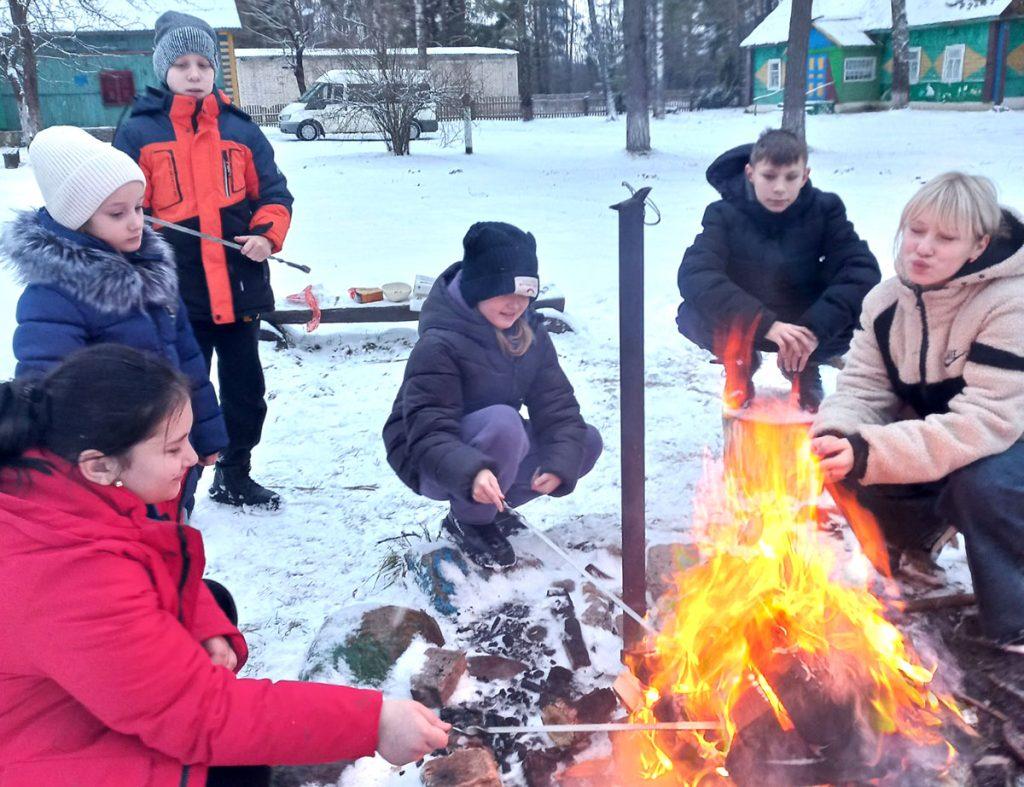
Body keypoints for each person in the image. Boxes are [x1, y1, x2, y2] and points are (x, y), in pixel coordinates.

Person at [0, 345, 450, 786]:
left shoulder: (63, 486)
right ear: (100, 466)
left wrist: (202, 620)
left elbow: (150, 561)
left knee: (213, 599)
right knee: (238, 767)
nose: (193, 458)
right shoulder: (67, 573)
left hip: (57, 698)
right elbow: (200, 717)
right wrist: (373, 723)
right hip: (32, 753)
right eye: (174, 448)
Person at [812, 172, 1024, 654]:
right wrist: (836, 434)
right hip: (951, 439)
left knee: (982, 483)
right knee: (840, 449)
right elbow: (862, 388)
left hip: (1009, 444)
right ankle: (910, 547)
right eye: (916, 230)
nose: (923, 248)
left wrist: (870, 452)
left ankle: (1015, 616)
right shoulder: (887, 303)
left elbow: (986, 422)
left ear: (979, 245)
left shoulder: (1012, 304)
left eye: (946, 237)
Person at [114, 11, 292, 510]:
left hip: (238, 288)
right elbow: (121, 205)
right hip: (175, 293)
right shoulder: (139, 132)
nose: (194, 74)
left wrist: (265, 236)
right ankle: (178, 481)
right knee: (180, 396)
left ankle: (235, 472)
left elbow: (275, 195)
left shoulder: (241, 130)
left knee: (244, 393)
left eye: (203, 64)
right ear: (162, 70)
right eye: (182, 64)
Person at [1, 125, 226, 507]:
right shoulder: (54, 296)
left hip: (168, 455)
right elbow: (50, 395)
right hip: (114, 471)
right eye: (117, 213)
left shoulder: (154, 273)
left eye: (139, 207)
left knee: (171, 539)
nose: (136, 222)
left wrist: (204, 433)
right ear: (78, 219)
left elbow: (189, 362)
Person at [383, 221, 603, 571]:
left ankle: (492, 508)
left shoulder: (530, 335)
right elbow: (428, 431)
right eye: (504, 292)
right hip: (427, 454)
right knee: (504, 422)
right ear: (478, 288)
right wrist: (471, 473)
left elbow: (557, 407)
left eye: (525, 295)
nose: (516, 305)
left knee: (583, 444)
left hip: (489, 447)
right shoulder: (439, 343)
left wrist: (560, 464)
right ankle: (469, 521)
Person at [676, 128, 880, 411]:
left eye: (790, 177)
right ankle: (740, 363)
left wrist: (813, 329)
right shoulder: (723, 214)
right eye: (769, 176)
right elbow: (696, 273)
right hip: (746, 322)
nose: (780, 188)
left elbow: (861, 270)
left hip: (803, 323)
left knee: (859, 312)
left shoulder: (825, 210)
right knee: (692, 312)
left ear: (805, 176)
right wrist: (763, 323)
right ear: (751, 173)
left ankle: (805, 369)